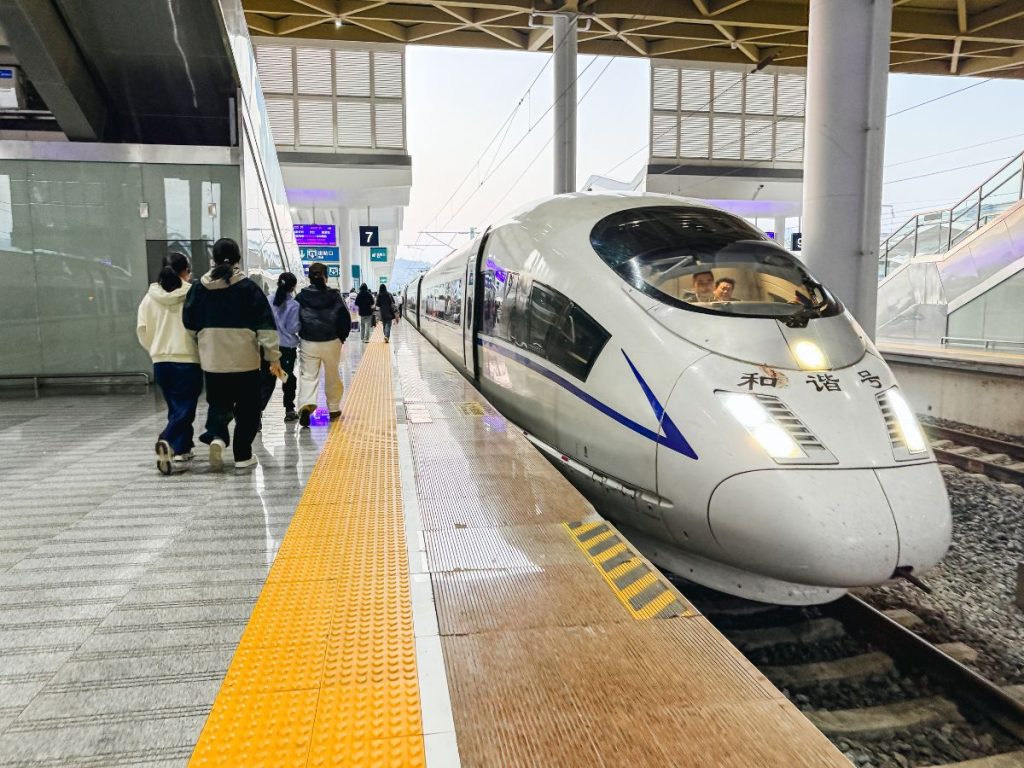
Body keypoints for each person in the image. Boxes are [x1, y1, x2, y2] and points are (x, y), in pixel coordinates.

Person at [183, 238, 282, 471]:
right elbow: (266, 327)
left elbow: (189, 325)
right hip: (245, 361)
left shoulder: (198, 288)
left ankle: (217, 436)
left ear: (212, 260)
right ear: (238, 259)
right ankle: (242, 455)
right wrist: (273, 357)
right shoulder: (248, 288)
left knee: (218, 403)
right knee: (248, 409)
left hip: (213, 361)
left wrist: (199, 352)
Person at [136, 252, 202, 476]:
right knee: (185, 409)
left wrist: (155, 349)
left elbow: (142, 330)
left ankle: (182, 448)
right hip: (187, 360)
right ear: (185, 271)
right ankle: (167, 440)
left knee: (176, 407)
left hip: (161, 362)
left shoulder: (149, 298)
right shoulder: (191, 294)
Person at [295, 262, 351, 427]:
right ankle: (333, 408)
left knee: (308, 375)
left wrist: (301, 333)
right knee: (332, 374)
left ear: (309, 277)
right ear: (326, 277)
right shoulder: (335, 296)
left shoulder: (301, 296)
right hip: (331, 341)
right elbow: (344, 318)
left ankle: (306, 406)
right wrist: (341, 337)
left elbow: (295, 317)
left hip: (308, 341)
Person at [260, 272, 300, 422]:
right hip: (286, 349)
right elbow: (293, 328)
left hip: (267, 347)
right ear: (293, 287)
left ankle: (257, 413)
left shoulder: (267, 300)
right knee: (287, 378)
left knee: (266, 379)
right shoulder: (294, 305)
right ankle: (289, 409)